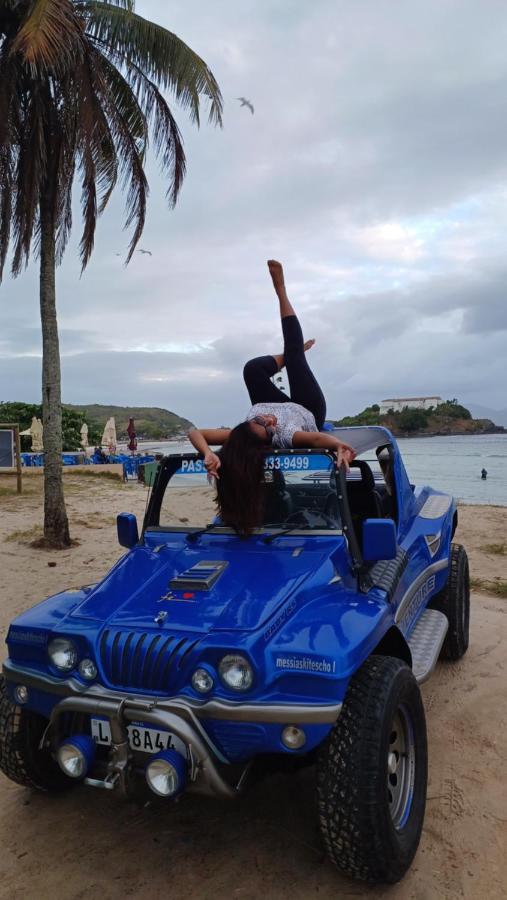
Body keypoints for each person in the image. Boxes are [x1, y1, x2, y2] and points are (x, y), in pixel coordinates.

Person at [188, 260, 356, 534]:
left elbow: (194, 432)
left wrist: (207, 453)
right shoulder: (286, 433)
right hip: (306, 409)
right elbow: (316, 438)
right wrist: (338, 445)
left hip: (270, 400)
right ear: (269, 438)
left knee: (252, 369)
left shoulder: (240, 434)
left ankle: (292, 354)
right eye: (266, 425)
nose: (268, 420)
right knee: (294, 355)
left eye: (258, 420)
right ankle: (282, 295)